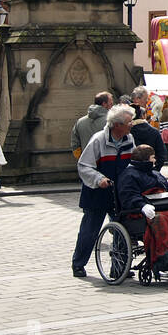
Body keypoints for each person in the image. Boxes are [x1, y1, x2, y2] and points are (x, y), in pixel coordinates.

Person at [72, 104, 135, 278]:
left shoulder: (129, 139)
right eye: (129, 122)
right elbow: (84, 165)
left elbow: (131, 164)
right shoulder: (99, 140)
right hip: (97, 192)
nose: (132, 124)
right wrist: (99, 179)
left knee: (122, 229)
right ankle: (78, 264)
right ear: (117, 125)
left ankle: (119, 267)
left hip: (119, 192)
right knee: (89, 230)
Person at [129, 87, 168, 171]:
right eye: (146, 99)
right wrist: (155, 170)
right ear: (137, 99)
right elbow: (162, 155)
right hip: (148, 171)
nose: (147, 102)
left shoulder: (126, 129)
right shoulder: (126, 130)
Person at [71, 92, 113, 161]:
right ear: (104, 104)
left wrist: (82, 158)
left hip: (86, 163)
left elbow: (75, 145)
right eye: (111, 104)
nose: (112, 106)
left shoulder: (80, 122)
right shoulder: (111, 121)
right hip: (107, 162)